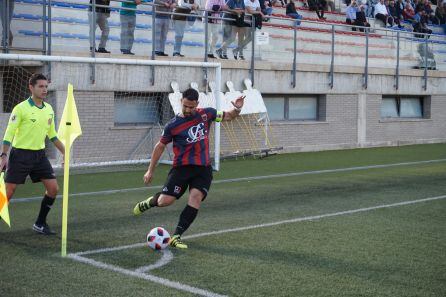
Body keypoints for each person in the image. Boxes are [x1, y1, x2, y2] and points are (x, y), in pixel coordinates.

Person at [133, 88, 245, 249]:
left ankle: (176, 236)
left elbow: (229, 116)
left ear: (197, 104)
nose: (188, 110)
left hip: (203, 168)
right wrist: (150, 170)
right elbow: (160, 146)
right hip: (181, 169)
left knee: (196, 197)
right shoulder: (173, 125)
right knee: (165, 201)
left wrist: (237, 108)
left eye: (191, 107)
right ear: (181, 102)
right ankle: (149, 202)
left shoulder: (207, 114)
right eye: (185, 106)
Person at [0, 74, 65, 235]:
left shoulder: (49, 109)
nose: (44, 90)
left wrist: (66, 152)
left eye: (46, 87)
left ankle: (40, 223)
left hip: (39, 156)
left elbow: (53, 135)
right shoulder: (20, 108)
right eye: (41, 86)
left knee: (53, 188)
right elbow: (9, 133)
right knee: (8, 192)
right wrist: (3, 155)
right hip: (20, 155)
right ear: (31, 87)